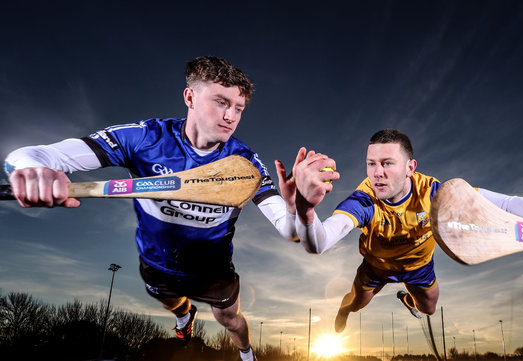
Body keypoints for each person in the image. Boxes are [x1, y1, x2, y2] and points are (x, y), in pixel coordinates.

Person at [4, 56, 306, 360]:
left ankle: (246, 353)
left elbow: (287, 226)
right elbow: (34, 155)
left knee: (229, 319)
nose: (231, 116)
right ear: (190, 97)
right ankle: (184, 315)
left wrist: (297, 211)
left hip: (213, 269)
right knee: (172, 302)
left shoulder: (244, 163)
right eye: (221, 102)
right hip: (156, 261)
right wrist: (32, 169)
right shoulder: (144, 139)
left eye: (238, 108)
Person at [292, 128, 523, 333]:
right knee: (357, 302)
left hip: (419, 267)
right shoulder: (364, 201)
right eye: (371, 164)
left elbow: (508, 205)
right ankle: (345, 310)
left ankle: (408, 297)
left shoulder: (437, 193)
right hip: (376, 268)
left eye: (387, 163)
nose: (377, 173)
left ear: (411, 167)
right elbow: (320, 242)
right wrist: (306, 210)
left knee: (429, 308)